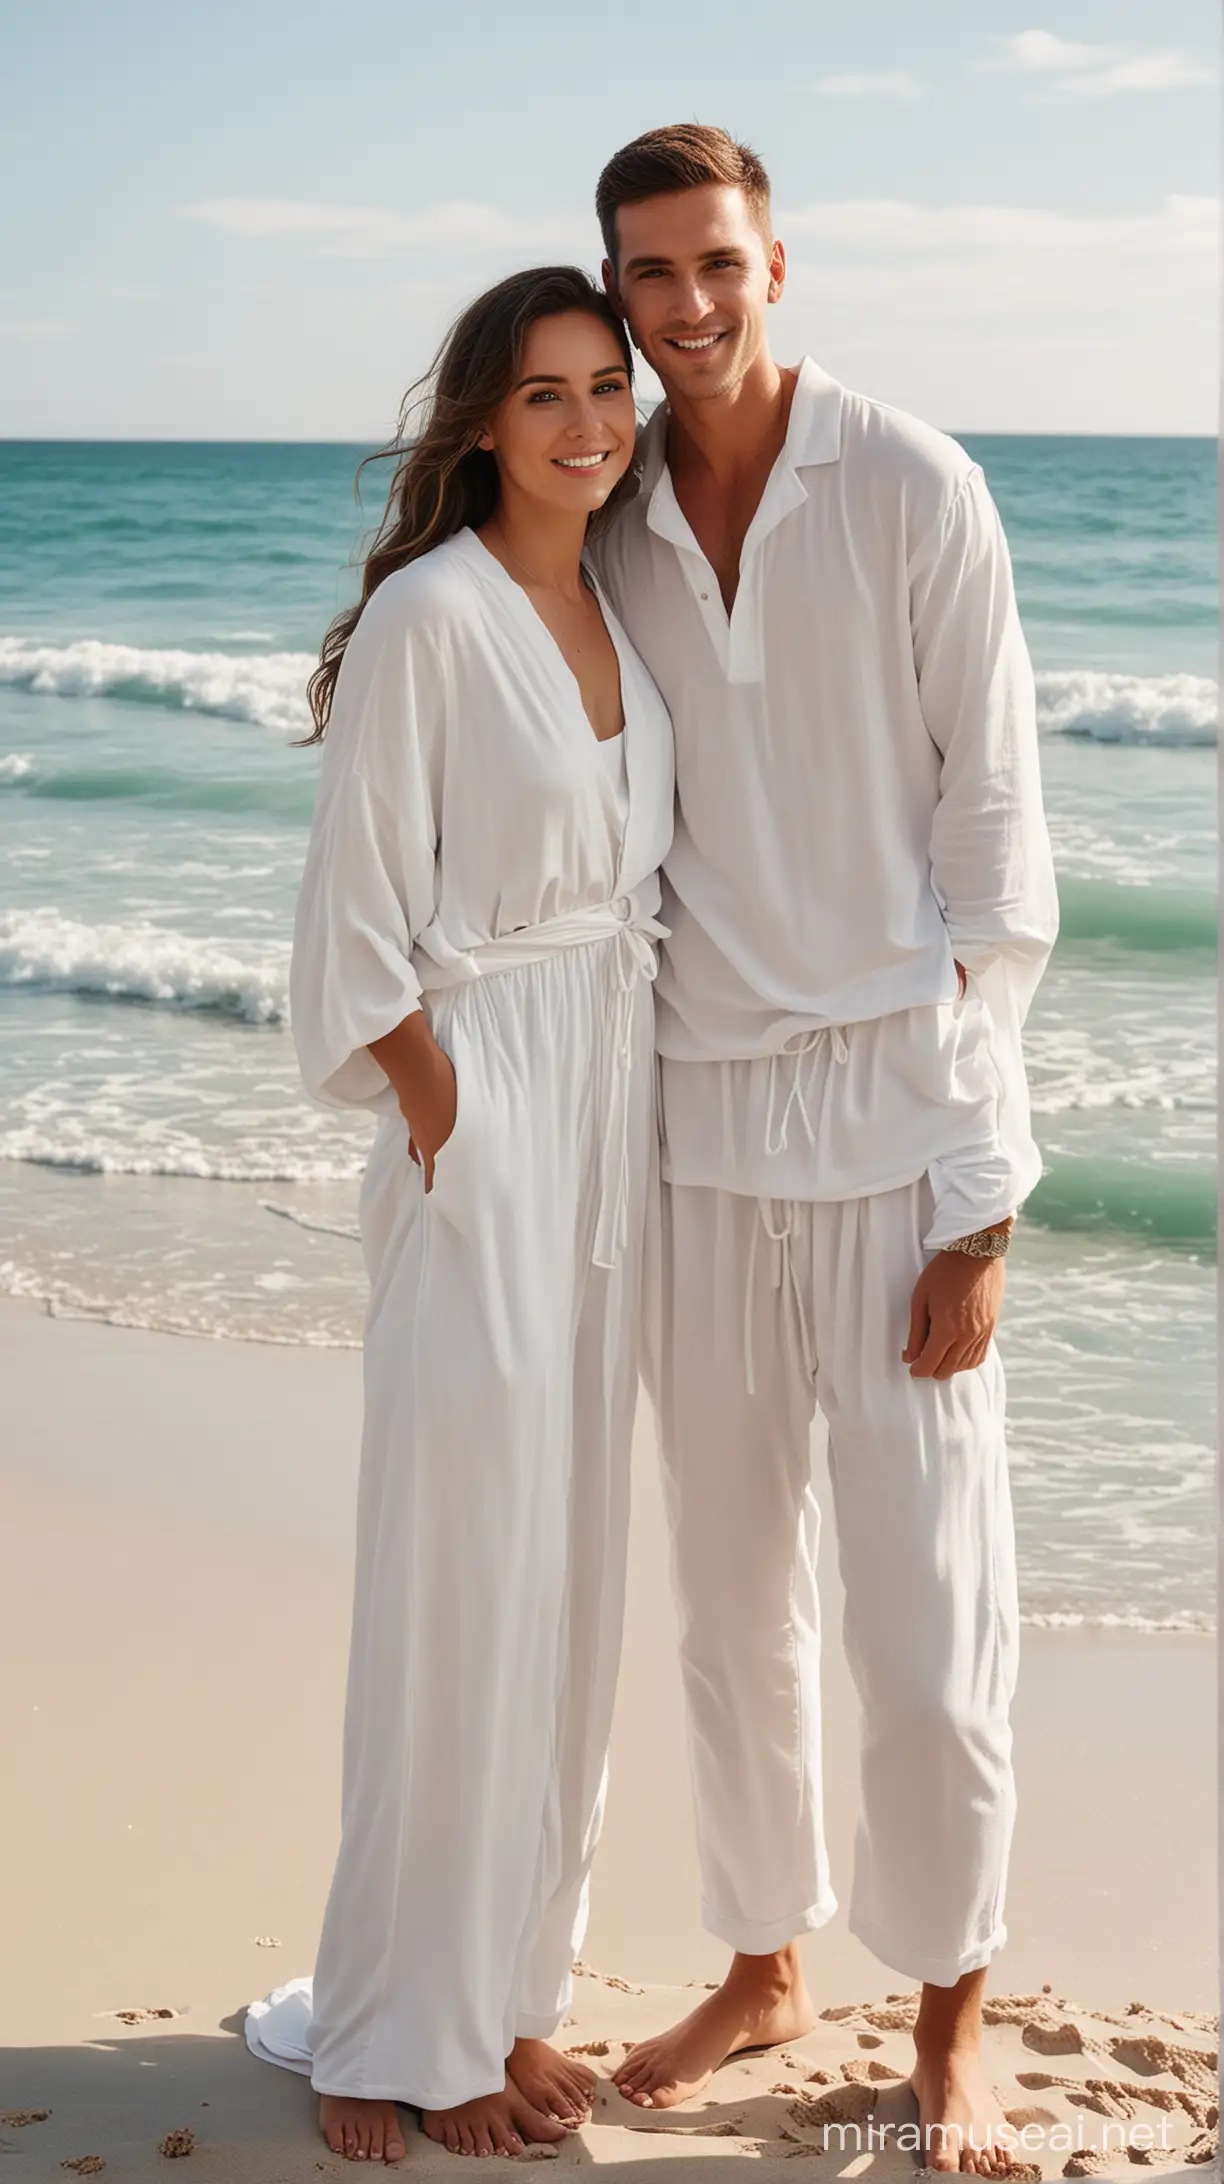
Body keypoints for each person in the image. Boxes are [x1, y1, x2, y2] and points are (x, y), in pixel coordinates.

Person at [587, 125, 1058, 2176]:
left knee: (928, 1626)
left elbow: (998, 855)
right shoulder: (606, 509)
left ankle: (953, 1999)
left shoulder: (916, 485)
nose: (684, 307)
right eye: (646, 277)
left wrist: (981, 1190)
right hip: (693, 1144)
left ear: (783, 261)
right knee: (722, 1609)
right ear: (614, 294)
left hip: (892, 1136)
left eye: (715, 262)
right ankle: (764, 1955)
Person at [244, 266, 675, 2164]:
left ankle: (501, 1996)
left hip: (615, 1126)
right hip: (490, 1114)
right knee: (453, 1574)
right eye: (547, 395)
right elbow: (348, 941)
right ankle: (381, 2018)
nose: (590, 425)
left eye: (611, 390)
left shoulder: (613, 601)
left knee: (563, 1576)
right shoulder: (433, 618)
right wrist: (449, 1121)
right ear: (481, 423)